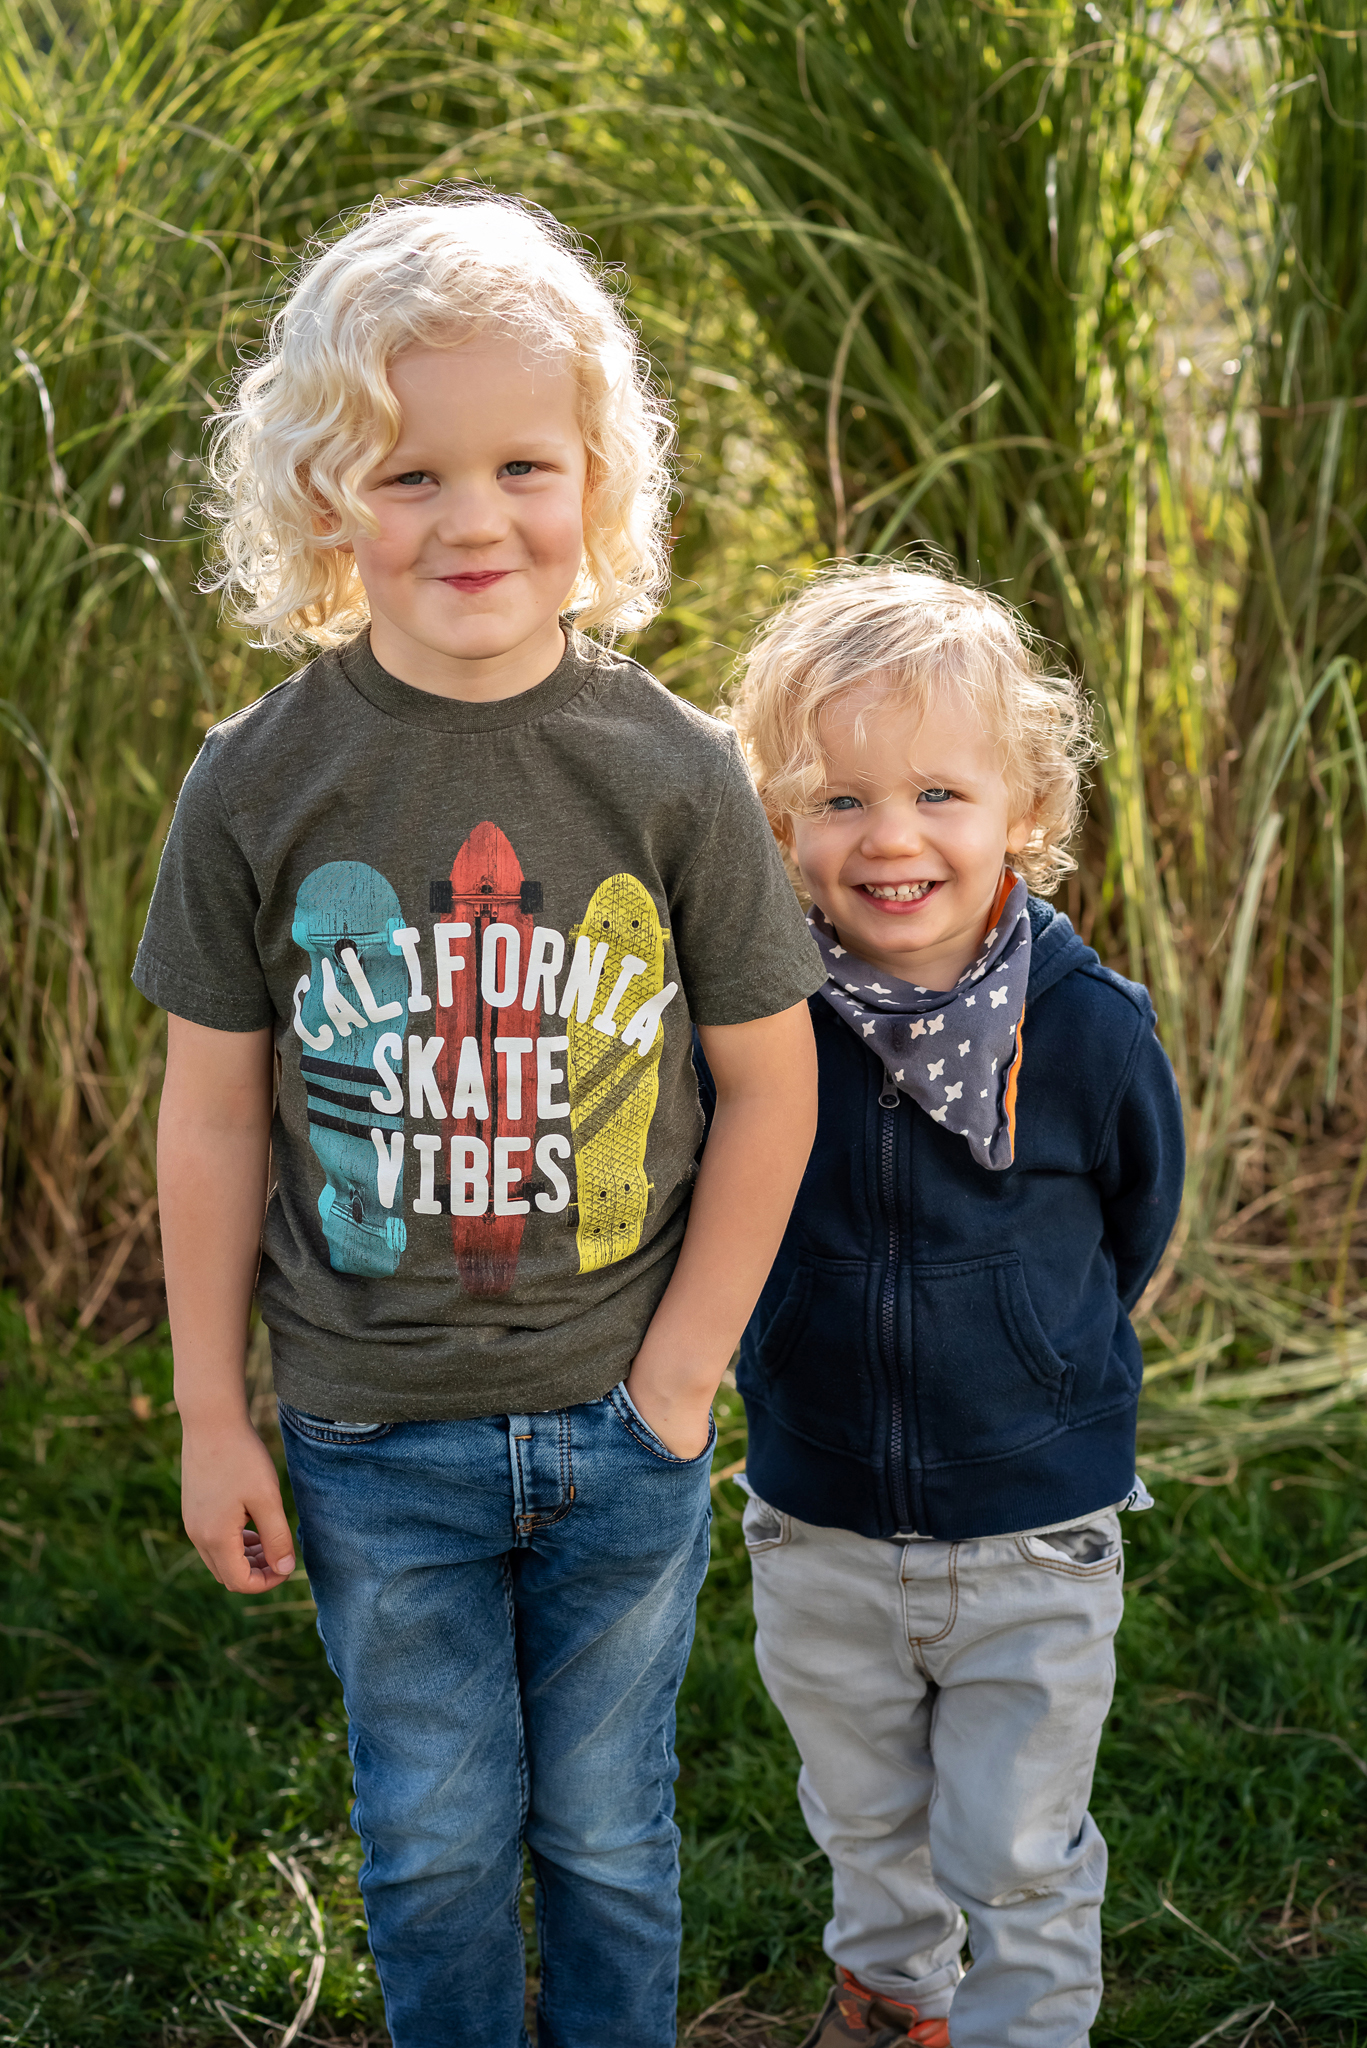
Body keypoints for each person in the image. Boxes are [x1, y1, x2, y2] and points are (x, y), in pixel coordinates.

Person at [134, 192, 823, 2048]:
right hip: (369, 1424)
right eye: (405, 472)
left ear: (595, 482)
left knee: (609, 1837)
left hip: (621, 1416)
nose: (469, 519)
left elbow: (771, 1082)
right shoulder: (259, 779)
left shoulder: (667, 770)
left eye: (521, 463)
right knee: (431, 1845)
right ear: (318, 499)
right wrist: (218, 1414)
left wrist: (682, 1373)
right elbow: (211, 1120)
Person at [699, 563, 1185, 2048]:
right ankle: (893, 1994)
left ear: (1022, 813)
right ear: (778, 825)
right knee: (861, 1814)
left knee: (1015, 1848)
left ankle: (1026, 2028)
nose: (891, 836)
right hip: (822, 1511)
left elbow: (1136, 1214)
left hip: (1030, 1526)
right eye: (839, 800)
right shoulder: (763, 1023)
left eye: (938, 794)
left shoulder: (1085, 1026)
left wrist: (1044, 1361)